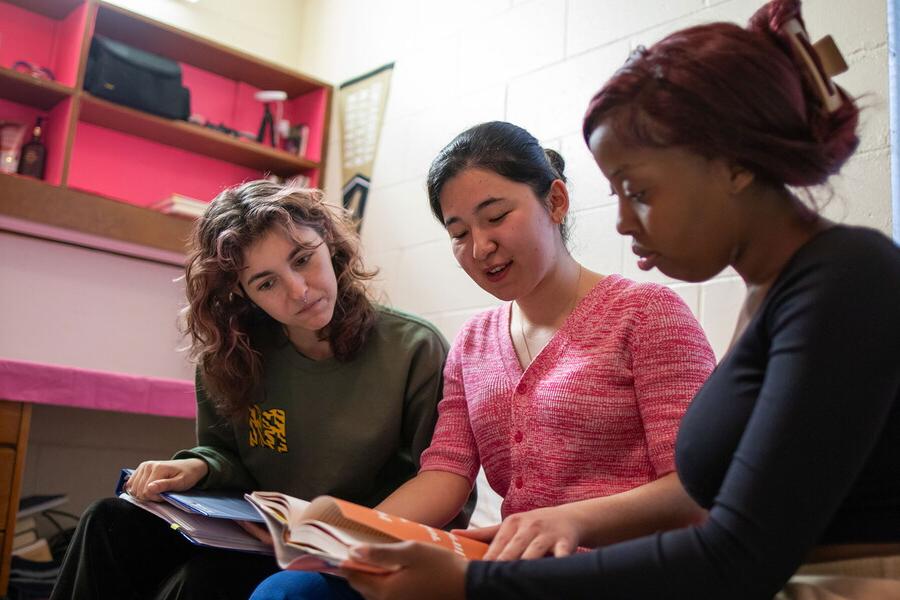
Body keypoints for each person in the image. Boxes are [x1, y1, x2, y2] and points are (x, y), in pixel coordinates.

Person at [341, 1, 900, 599]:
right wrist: (352, 529)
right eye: (457, 233)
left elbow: (737, 553)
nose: (625, 221)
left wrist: (476, 581)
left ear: (733, 165)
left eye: (639, 192)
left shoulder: (848, 276)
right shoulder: (770, 294)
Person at [256, 120, 716, 599]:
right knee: (294, 590)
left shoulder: (647, 314)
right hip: (514, 575)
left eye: (496, 217)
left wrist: (568, 522)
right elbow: (446, 473)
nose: (480, 247)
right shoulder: (474, 340)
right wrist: (342, 532)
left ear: (555, 201)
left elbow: (694, 490)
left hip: (626, 576)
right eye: (458, 232)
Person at [50, 180, 473, 600]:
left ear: (328, 242)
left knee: (207, 581)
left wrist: (321, 536)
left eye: (303, 259)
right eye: (266, 283)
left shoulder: (414, 348)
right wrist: (199, 467)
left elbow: (444, 488)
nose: (299, 290)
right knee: (109, 522)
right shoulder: (233, 356)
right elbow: (230, 457)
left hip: (359, 543)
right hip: (257, 533)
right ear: (242, 292)